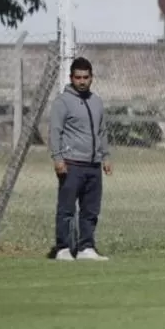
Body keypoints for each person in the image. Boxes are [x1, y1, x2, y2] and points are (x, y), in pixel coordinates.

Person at [48, 57, 112, 261]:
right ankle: (63, 248)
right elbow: (54, 132)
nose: (82, 81)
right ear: (71, 78)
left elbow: (102, 131)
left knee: (90, 209)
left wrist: (106, 156)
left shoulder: (96, 101)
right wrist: (58, 159)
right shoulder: (62, 102)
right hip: (71, 164)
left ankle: (86, 247)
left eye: (86, 77)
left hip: (93, 165)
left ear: (92, 78)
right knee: (67, 208)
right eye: (78, 77)